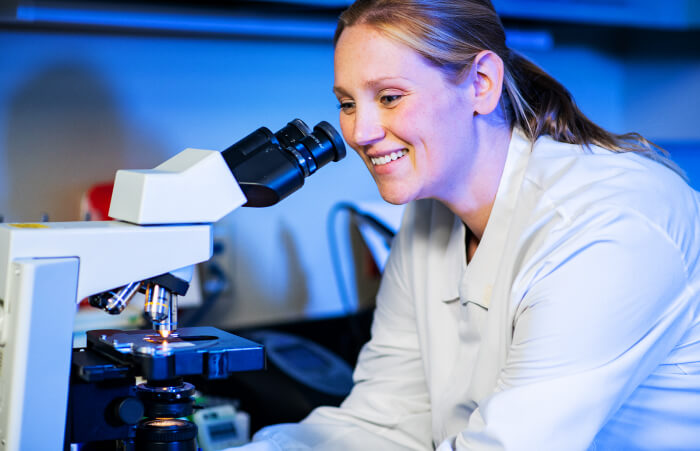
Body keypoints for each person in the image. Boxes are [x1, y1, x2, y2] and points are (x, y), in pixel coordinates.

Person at [235, 0, 700, 449]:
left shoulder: (607, 225)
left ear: (481, 83)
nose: (360, 133)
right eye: (348, 103)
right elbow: (386, 421)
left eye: (390, 97)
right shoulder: (430, 213)